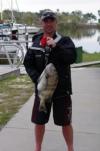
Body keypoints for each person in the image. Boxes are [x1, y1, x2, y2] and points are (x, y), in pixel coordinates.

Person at [23, 10, 77, 151]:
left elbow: (71, 58)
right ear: (42, 23)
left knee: (66, 123)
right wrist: (37, 79)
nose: (48, 23)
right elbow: (28, 63)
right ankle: (37, 148)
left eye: (51, 20)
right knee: (39, 122)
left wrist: (56, 46)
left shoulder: (65, 41)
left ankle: (70, 148)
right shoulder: (35, 41)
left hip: (62, 92)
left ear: (56, 22)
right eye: (45, 21)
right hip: (42, 91)